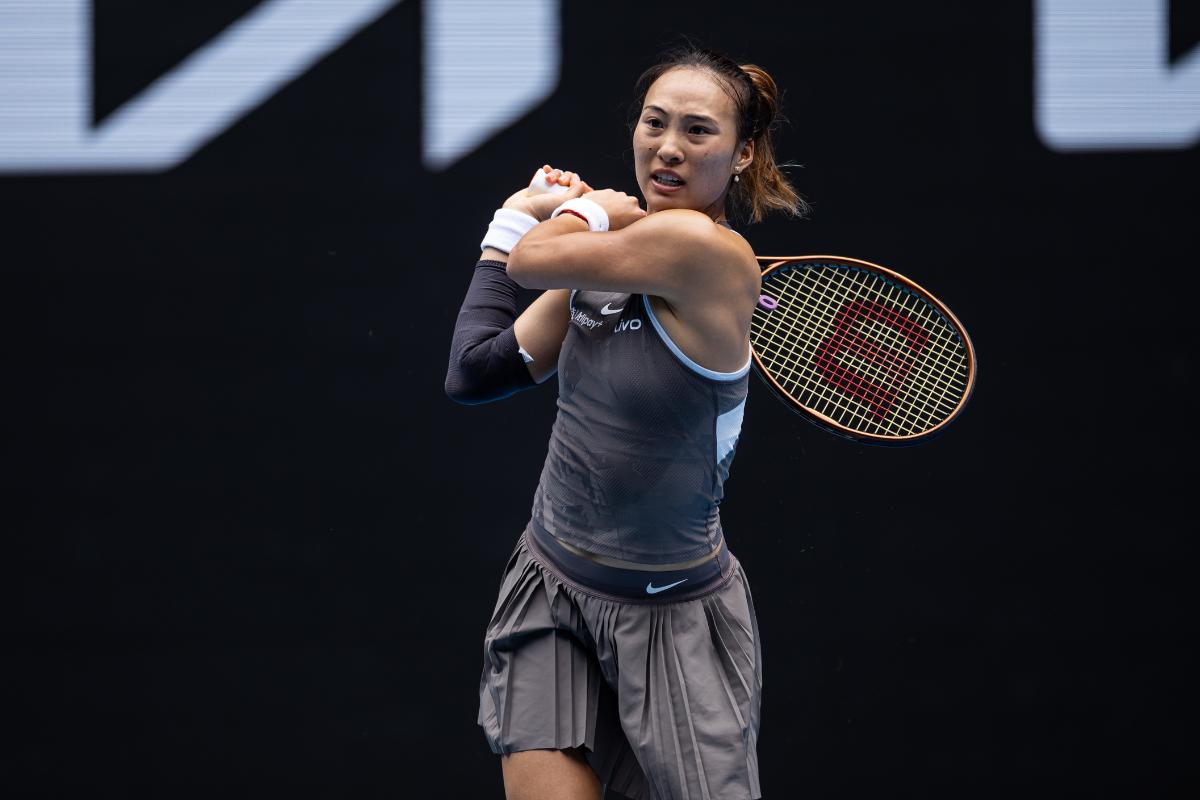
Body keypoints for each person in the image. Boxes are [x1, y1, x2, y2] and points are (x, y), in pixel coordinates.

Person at [445, 44, 806, 800]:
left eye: (698, 132)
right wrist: (514, 229)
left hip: (674, 620)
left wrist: (563, 212)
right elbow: (476, 372)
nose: (668, 147)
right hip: (552, 590)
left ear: (742, 154)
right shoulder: (613, 253)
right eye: (654, 123)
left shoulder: (708, 252)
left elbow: (533, 259)